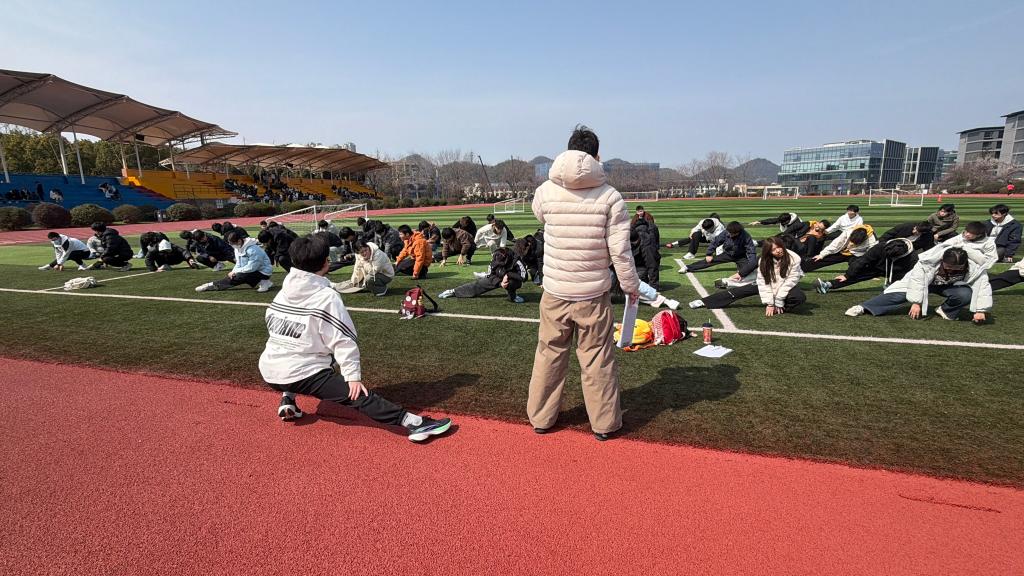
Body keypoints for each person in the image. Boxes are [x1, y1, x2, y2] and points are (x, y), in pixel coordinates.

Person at [257, 235, 452, 441]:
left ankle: (287, 398)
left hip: (268, 370)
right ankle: (415, 424)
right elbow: (343, 341)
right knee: (357, 395)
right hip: (303, 374)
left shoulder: (284, 290)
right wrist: (353, 378)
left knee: (307, 354)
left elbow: (271, 320)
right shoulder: (326, 296)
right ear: (325, 262)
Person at [527, 125, 639, 441]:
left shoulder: (546, 191)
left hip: (555, 290)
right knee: (597, 358)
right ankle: (604, 424)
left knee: (549, 353)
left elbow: (540, 216)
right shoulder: (610, 196)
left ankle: (541, 418)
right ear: (596, 156)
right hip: (592, 293)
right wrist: (630, 285)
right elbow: (620, 250)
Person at [846, 247, 991, 323]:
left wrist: (981, 310)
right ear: (942, 260)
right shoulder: (927, 262)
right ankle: (864, 307)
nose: (952, 270)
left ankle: (946, 311)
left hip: (947, 286)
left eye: (957, 268)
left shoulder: (976, 268)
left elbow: (983, 288)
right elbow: (917, 282)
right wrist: (916, 302)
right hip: (920, 283)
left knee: (965, 294)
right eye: (949, 267)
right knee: (897, 295)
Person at [688, 236, 805, 313]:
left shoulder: (794, 258)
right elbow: (764, 282)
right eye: (774, 249)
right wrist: (770, 303)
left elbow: (791, 280)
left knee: (799, 297)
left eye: (779, 247)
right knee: (738, 291)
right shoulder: (763, 261)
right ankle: (704, 301)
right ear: (768, 252)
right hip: (768, 283)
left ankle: (782, 307)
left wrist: (778, 301)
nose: (778, 250)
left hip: (785, 285)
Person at [815, 238, 918, 294]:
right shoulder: (880, 247)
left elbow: (913, 274)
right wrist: (847, 275)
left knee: (897, 290)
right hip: (876, 266)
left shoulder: (912, 258)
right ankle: (827, 285)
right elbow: (863, 260)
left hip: (898, 271)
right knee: (854, 275)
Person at [195, 228, 274, 292]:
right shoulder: (238, 247)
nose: (232, 246)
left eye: (232, 244)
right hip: (253, 270)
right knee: (235, 276)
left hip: (263, 271)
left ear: (239, 241)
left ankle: (211, 286)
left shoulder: (253, 250)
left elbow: (252, 267)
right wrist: (233, 271)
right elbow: (239, 263)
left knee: (239, 277)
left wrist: (236, 272)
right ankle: (264, 282)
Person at [439, 246, 527, 303]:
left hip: (512, 278)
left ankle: (513, 296)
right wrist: (500, 283)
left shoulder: (516, 260)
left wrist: (508, 275)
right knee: (478, 285)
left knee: (511, 283)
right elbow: (491, 275)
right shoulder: (495, 259)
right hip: (498, 277)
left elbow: (524, 277)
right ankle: (453, 292)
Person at [676, 221, 757, 280]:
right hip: (728, 254)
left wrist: (751, 264)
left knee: (747, 272)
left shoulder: (746, 237)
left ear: (738, 232)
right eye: (729, 233)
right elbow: (715, 242)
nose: (730, 235)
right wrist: (709, 254)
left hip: (741, 256)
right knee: (709, 261)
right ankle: (687, 267)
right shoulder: (726, 232)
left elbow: (751, 251)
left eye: (732, 234)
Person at [916, 221, 997, 275]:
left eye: (971, 233)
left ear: (979, 235)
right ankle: (923, 261)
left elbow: (988, 262)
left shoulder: (988, 243)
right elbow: (943, 246)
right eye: (967, 231)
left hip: (973, 268)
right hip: (951, 263)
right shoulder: (960, 237)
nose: (967, 234)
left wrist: (967, 250)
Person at [803, 224, 877, 272]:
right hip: (842, 251)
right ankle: (801, 268)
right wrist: (821, 255)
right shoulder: (848, 232)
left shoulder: (872, 240)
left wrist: (866, 264)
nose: (851, 244)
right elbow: (835, 244)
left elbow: (871, 254)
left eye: (855, 243)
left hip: (856, 255)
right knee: (819, 259)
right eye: (851, 241)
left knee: (857, 268)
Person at [630, 218, 661, 289]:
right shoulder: (629, 233)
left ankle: (648, 281)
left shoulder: (647, 243)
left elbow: (652, 265)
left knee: (640, 275)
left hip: (647, 255)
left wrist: (653, 287)